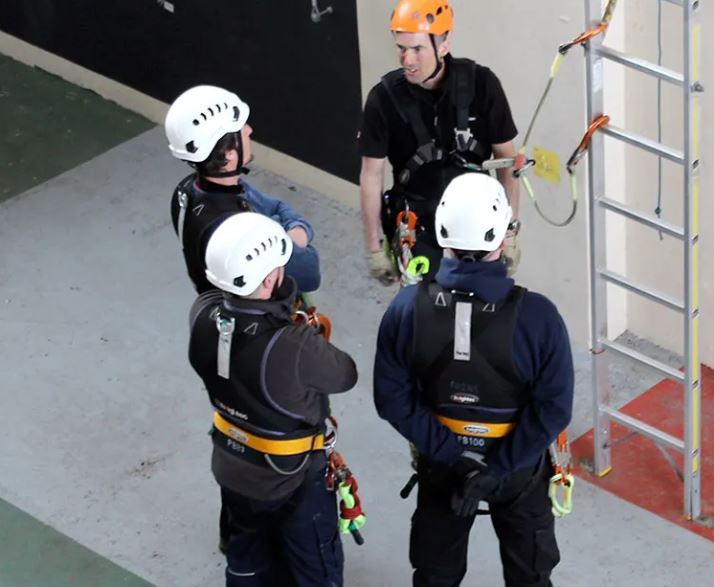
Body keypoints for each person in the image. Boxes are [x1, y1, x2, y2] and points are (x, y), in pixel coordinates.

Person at [373, 173, 573, 586]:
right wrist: (497, 467)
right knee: (530, 576)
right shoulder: (539, 318)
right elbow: (553, 408)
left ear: (441, 234)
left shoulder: (407, 309)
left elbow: (391, 398)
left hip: (443, 465)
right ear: (503, 238)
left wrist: (452, 453)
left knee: (435, 574)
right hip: (516, 471)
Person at [187, 212, 358, 585]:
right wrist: (291, 319)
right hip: (292, 478)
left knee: (246, 562)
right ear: (269, 279)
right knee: (315, 571)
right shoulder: (294, 346)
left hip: (231, 464)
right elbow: (346, 374)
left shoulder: (201, 315)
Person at [359, 0, 522, 286]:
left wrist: (508, 233)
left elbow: (508, 165)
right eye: (401, 48)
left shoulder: (482, 86)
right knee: (424, 315)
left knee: (485, 307)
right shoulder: (383, 100)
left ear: (443, 45)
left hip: (478, 225)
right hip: (419, 227)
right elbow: (371, 175)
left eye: (417, 49)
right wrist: (374, 248)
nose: (407, 60)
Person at [166, 85, 321, 296]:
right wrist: (292, 232)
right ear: (229, 155)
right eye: (241, 129)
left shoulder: (186, 191)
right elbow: (309, 272)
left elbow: (275, 206)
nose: (249, 130)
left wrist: (282, 231)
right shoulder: (243, 230)